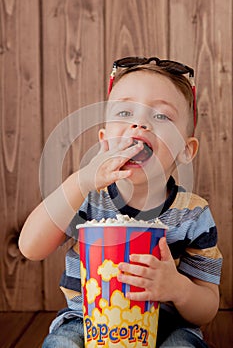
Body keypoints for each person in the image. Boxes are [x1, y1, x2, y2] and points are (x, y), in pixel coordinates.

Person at [19, 56, 222, 348]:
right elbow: (30, 247)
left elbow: (207, 307)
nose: (139, 123)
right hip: (85, 321)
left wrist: (177, 288)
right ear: (104, 141)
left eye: (161, 116)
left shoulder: (192, 214)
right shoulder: (87, 199)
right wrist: (80, 180)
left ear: (186, 150)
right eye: (125, 112)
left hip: (167, 325)